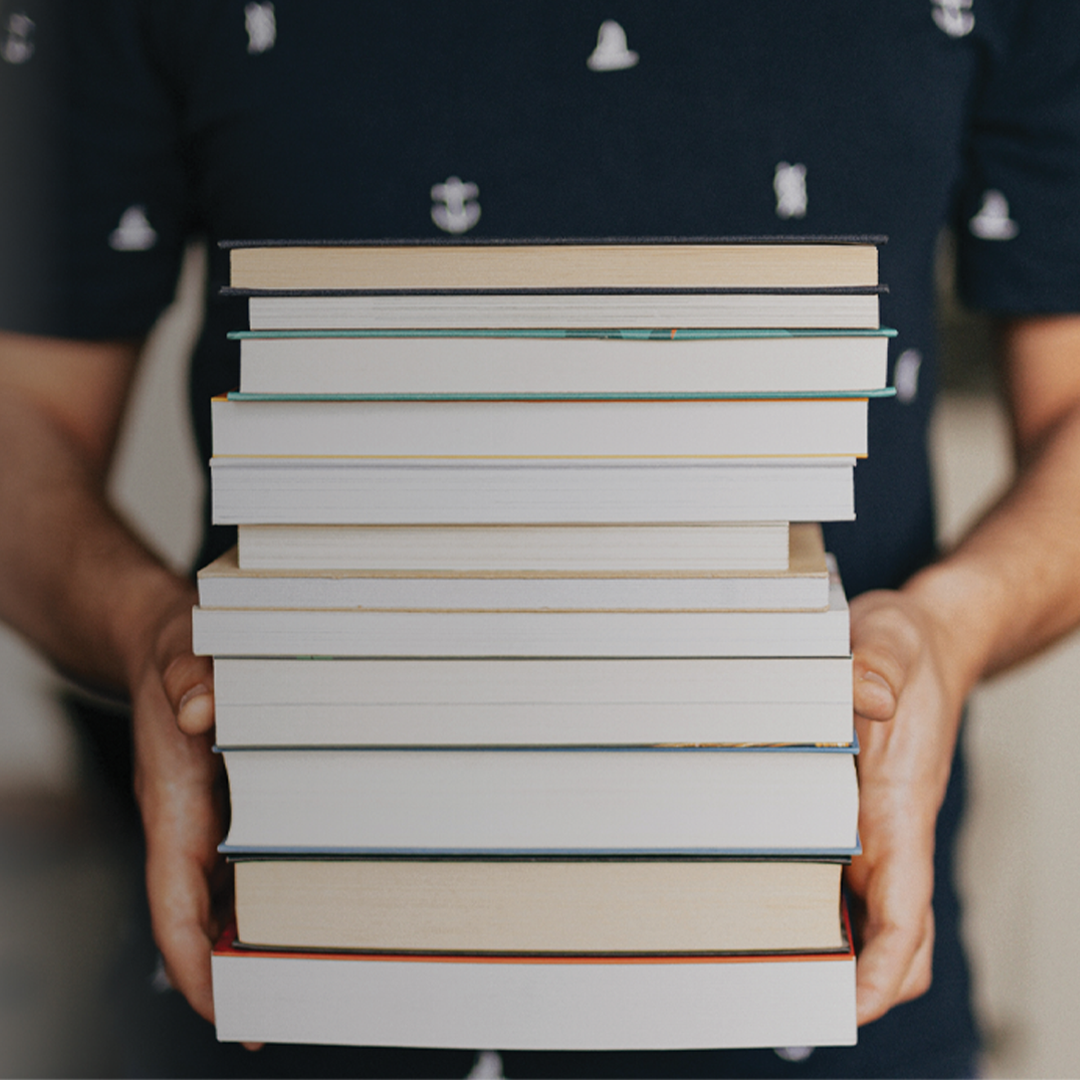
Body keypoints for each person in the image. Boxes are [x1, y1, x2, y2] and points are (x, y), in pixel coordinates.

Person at [2, 1, 1080, 1075]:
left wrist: (953, 626)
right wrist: (145, 633)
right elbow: (23, 417)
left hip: (815, 972)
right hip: (285, 975)